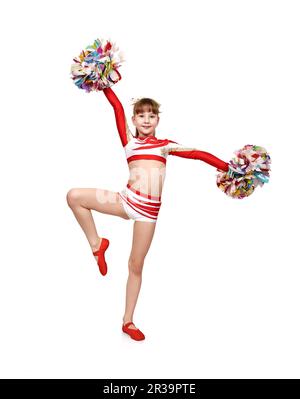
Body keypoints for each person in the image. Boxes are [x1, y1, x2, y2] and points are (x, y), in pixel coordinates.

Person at [66, 87, 230, 341]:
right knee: (74, 196)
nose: (145, 119)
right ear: (134, 120)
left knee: (136, 264)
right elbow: (117, 108)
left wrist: (229, 169)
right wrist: (103, 80)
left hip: (148, 213)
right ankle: (97, 244)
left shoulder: (166, 146)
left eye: (151, 115)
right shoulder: (129, 142)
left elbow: (198, 154)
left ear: (157, 120)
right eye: (140, 115)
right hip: (125, 200)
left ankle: (128, 321)